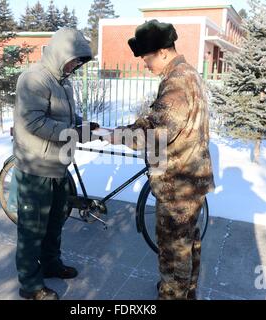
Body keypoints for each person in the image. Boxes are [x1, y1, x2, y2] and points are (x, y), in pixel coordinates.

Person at [105, 20, 215, 300]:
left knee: (174, 250)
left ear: (163, 52)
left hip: (179, 183)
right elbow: (164, 120)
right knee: (187, 243)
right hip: (190, 179)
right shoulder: (186, 74)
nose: (144, 63)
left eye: (146, 57)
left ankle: (173, 293)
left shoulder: (177, 82)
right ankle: (185, 291)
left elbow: (157, 133)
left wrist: (120, 136)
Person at [13, 28, 99, 300]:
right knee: (32, 228)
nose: (75, 65)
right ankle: (30, 285)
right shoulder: (34, 79)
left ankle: (51, 264)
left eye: (79, 61)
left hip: (58, 164)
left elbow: (66, 117)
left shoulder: (64, 81)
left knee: (54, 223)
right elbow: (34, 122)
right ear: (61, 54)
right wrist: (72, 133)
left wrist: (83, 125)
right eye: (74, 60)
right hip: (36, 166)